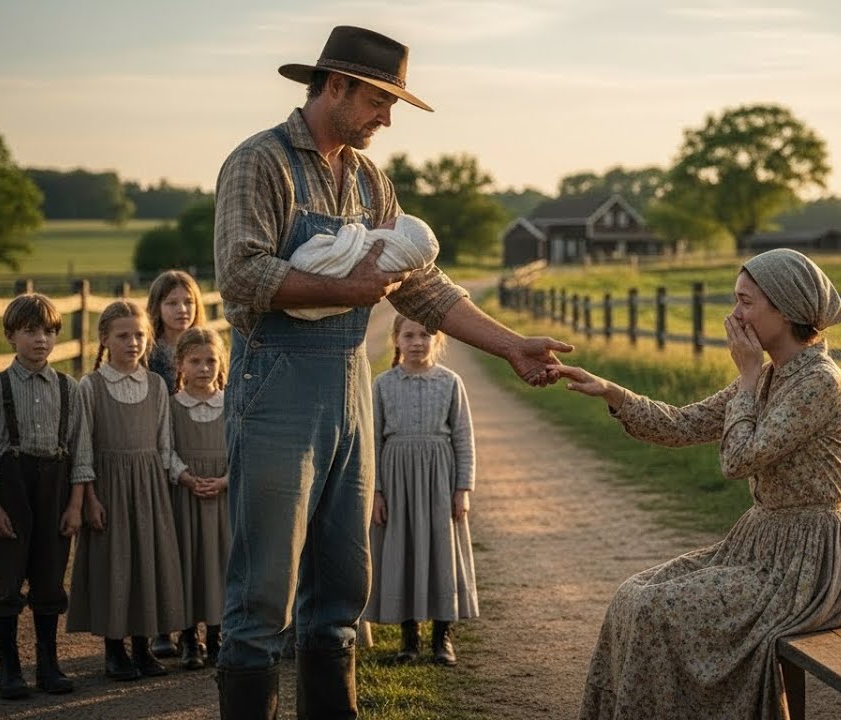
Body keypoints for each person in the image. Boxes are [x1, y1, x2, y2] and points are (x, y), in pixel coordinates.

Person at [211, 23, 572, 719]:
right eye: (380, 100)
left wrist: (509, 346)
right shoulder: (260, 163)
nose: (387, 117)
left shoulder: (370, 178)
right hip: (276, 387)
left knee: (344, 585)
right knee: (262, 592)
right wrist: (342, 291)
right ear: (336, 85)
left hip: (350, 384)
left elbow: (422, 286)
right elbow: (240, 271)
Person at [549, 248, 841, 719]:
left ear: (784, 309)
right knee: (633, 595)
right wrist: (612, 392)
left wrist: (744, 379)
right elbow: (684, 424)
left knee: (659, 610)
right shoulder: (767, 377)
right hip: (760, 545)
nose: (734, 315)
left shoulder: (819, 382)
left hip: (811, 562)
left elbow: (738, 459)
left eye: (746, 302)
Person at [0, 293, 93, 699]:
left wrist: (75, 505)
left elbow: (81, 452)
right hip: (12, 488)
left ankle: (48, 665)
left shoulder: (68, 388)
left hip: (55, 489)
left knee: (50, 579)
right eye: (30, 331)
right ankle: (9, 669)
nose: (40, 339)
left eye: (49, 331)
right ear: (10, 336)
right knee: (8, 581)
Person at [66, 300, 186, 682]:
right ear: (105, 339)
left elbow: (165, 446)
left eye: (139, 335)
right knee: (114, 566)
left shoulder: (155, 385)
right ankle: (114, 650)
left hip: (150, 487)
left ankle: (142, 647)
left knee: (147, 565)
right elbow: (82, 446)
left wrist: (173, 486)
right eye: (123, 336)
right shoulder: (91, 386)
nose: (132, 342)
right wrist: (88, 499)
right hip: (109, 488)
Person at [364, 316, 479, 666]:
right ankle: (408, 637)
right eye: (409, 335)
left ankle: (442, 637)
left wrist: (463, 487)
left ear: (438, 339)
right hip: (397, 480)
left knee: (441, 551)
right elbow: (372, 443)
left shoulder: (450, 383)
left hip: (439, 480)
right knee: (403, 551)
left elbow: (463, 437)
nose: (417, 342)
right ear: (396, 339)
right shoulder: (382, 385)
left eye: (425, 334)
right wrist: (376, 492)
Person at [144, 269, 205, 659]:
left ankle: (195, 630)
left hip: (198, 449)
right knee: (163, 540)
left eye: (188, 302)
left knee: (195, 541)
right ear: (157, 307)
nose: (181, 309)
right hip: (156, 450)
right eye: (172, 302)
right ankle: (160, 627)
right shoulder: (149, 353)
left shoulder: (207, 346)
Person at [166, 326, 231, 670]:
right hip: (187, 495)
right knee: (189, 562)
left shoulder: (230, 403)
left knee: (219, 562)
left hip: (221, 496)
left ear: (221, 363)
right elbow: (166, 449)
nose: (204, 368)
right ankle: (190, 638)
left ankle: (219, 634)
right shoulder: (173, 406)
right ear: (180, 364)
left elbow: (241, 449)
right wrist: (186, 477)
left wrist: (224, 481)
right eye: (195, 361)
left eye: (210, 361)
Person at [285, 212, 439, 320]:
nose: (381, 225)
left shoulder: (375, 183)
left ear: (393, 236)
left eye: (389, 224)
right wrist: (345, 289)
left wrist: (353, 234)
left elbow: (424, 286)